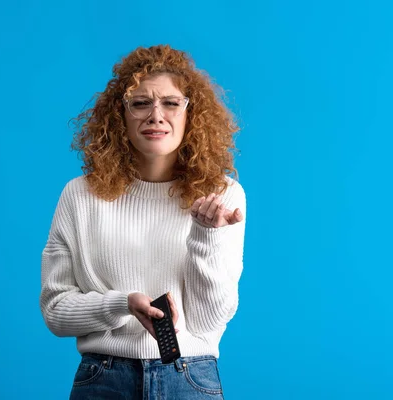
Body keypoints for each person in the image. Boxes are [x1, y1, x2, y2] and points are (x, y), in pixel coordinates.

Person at [40, 44, 246, 399]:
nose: (155, 115)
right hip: (103, 378)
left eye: (170, 102)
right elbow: (56, 311)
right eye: (140, 103)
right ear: (119, 115)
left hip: (190, 377)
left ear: (190, 113)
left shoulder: (221, 195)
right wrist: (121, 304)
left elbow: (209, 321)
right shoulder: (79, 195)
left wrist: (205, 238)